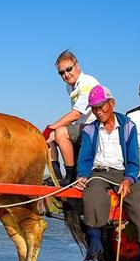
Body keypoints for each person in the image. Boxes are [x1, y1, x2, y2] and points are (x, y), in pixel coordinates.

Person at [73, 85, 140, 261]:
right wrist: (82, 177)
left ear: (111, 103)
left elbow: (134, 160)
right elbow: (86, 159)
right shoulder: (90, 129)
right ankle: (95, 243)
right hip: (99, 172)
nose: (98, 112)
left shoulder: (128, 126)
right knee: (93, 194)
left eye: (101, 107)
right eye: (94, 109)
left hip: (124, 173)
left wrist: (129, 179)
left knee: (137, 206)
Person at [42, 50, 100, 185]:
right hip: (81, 126)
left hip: (94, 127)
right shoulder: (69, 87)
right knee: (50, 139)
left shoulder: (88, 82)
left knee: (59, 132)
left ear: (77, 65)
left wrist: (51, 127)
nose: (66, 74)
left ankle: (70, 176)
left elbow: (76, 114)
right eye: (61, 72)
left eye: (68, 69)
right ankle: (57, 177)